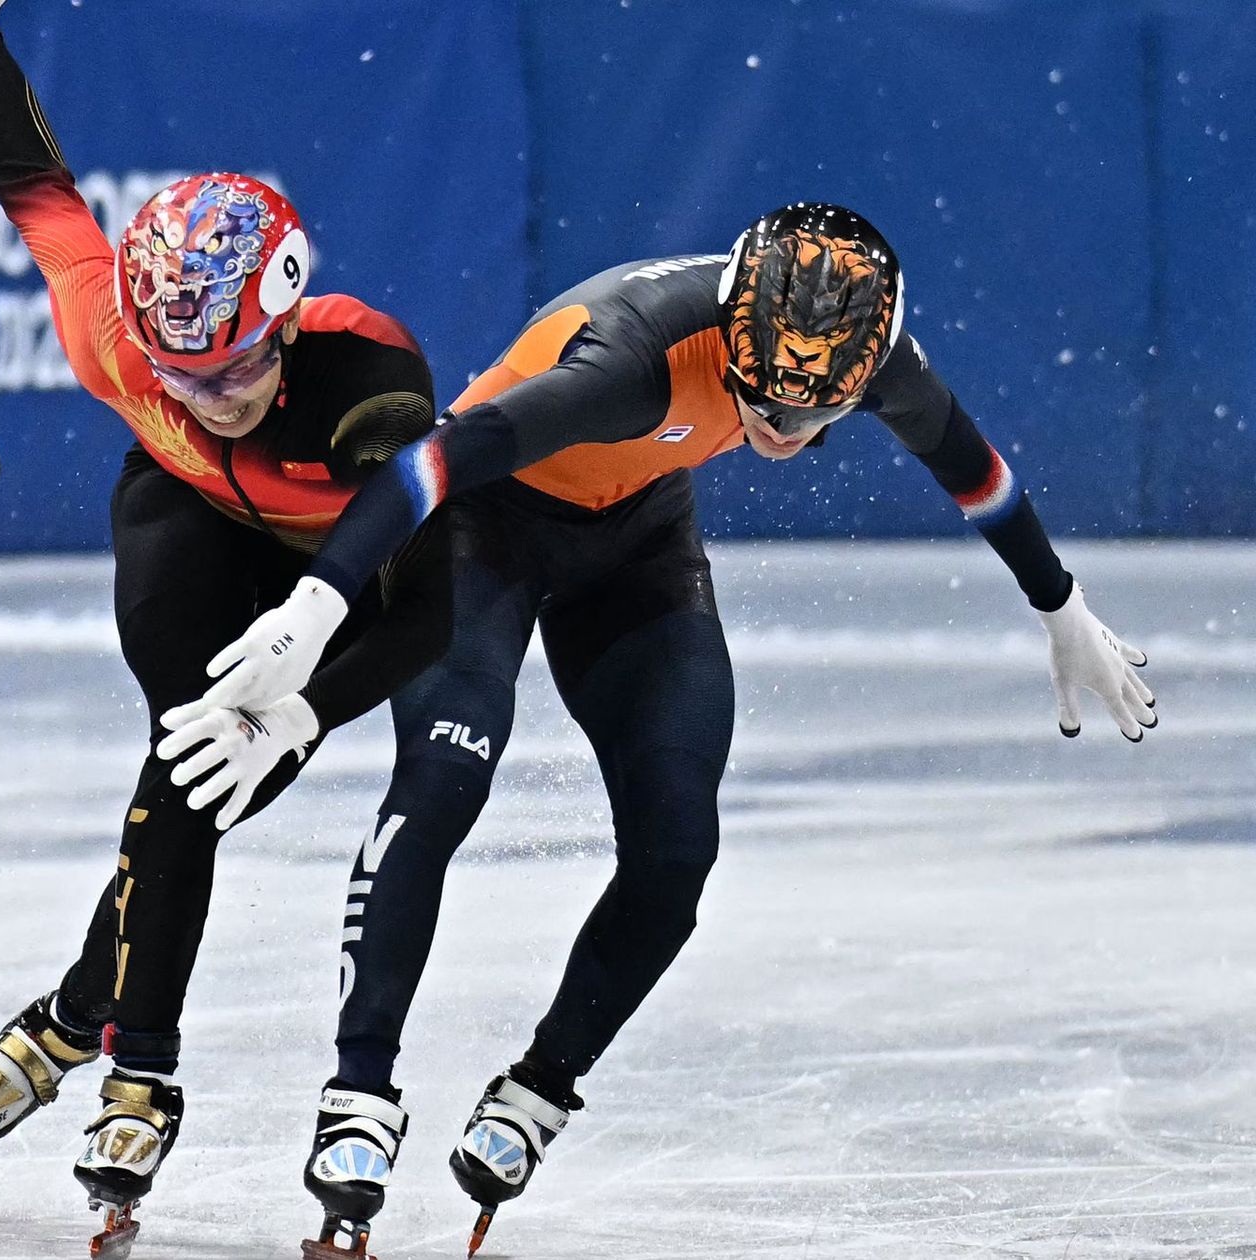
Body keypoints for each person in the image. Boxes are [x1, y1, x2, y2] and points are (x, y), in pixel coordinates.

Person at [169, 202, 1157, 1247]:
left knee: (678, 841)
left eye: (813, 413)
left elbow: (977, 475)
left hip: (635, 535)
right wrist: (319, 604)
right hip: (483, 529)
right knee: (446, 777)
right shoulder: (628, 361)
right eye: (762, 399)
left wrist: (1062, 606)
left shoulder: (874, 356)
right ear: (733, 338)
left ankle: (541, 1087)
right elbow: (434, 460)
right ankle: (358, 1090)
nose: (780, 428)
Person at [0, 0, 461, 1237]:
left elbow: (427, 611)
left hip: (339, 567)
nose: (210, 397)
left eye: (233, 371)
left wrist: (311, 708)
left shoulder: (366, 378)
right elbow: (35, 187)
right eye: (182, 377)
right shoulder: (119, 333)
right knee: (189, 761)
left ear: (281, 331)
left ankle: (76, 1014)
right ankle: (141, 1070)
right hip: (185, 528)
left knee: (221, 772)